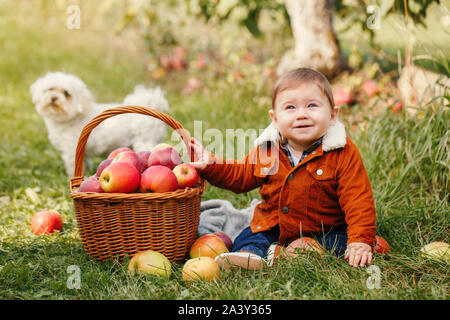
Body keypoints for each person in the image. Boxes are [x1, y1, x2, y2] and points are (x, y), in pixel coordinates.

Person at [189, 67, 376, 269]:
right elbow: (240, 174)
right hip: (274, 223)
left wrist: (360, 239)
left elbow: (358, 199)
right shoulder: (268, 148)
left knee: (335, 243)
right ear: (275, 119)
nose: (302, 115)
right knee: (250, 237)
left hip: (326, 228)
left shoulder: (342, 151)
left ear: (332, 115)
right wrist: (210, 163)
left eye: (312, 106)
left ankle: (291, 253)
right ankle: (249, 256)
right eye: (290, 108)